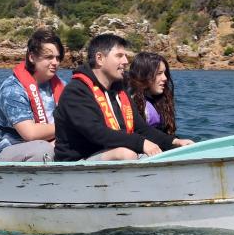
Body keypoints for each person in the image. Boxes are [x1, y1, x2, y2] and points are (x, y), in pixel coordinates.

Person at [53, 34, 193, 161]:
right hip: (78, 161)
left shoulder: (119, 90)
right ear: (100, 58)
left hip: (107, 152)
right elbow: (97, 133)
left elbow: (141, 128)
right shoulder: (76, 92)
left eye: (125, 56)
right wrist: (141, 143)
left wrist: (174, 142)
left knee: (157, 151)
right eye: (119, 56)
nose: (126, 61)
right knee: (126, 154)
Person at [0, 29, 65, 162]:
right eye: (49, 57)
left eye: (58, 58)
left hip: (54, 145)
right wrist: (69, 127)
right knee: (42, 150)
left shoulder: (64, 87)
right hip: (12, 149)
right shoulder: (12, 89)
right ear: (32, 57)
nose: (55, 62)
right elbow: (30, 133)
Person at [128, 51, 178, 136]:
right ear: (144, 76)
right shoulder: (130, 103)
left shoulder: (162, 100)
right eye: (159, 73)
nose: (165, 78)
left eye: (165, 73)